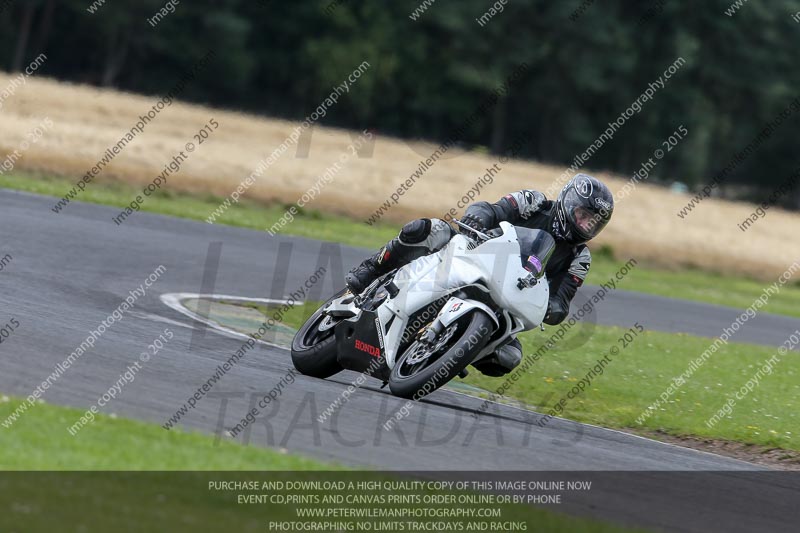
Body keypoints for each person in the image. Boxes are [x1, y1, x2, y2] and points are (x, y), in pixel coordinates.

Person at [345, 173, 614, 376]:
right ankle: (371, 269)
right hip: (475, 254)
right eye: (582, 215)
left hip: (507, 298)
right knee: (427, 229)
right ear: (569, 202)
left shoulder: (581, 257)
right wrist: (477, 217)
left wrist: (551, 309)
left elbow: (562, 299)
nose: (585, 225)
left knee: (509, 356)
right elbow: (492, 208)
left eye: (593, 223)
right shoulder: (533, 202)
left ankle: (456, 350)